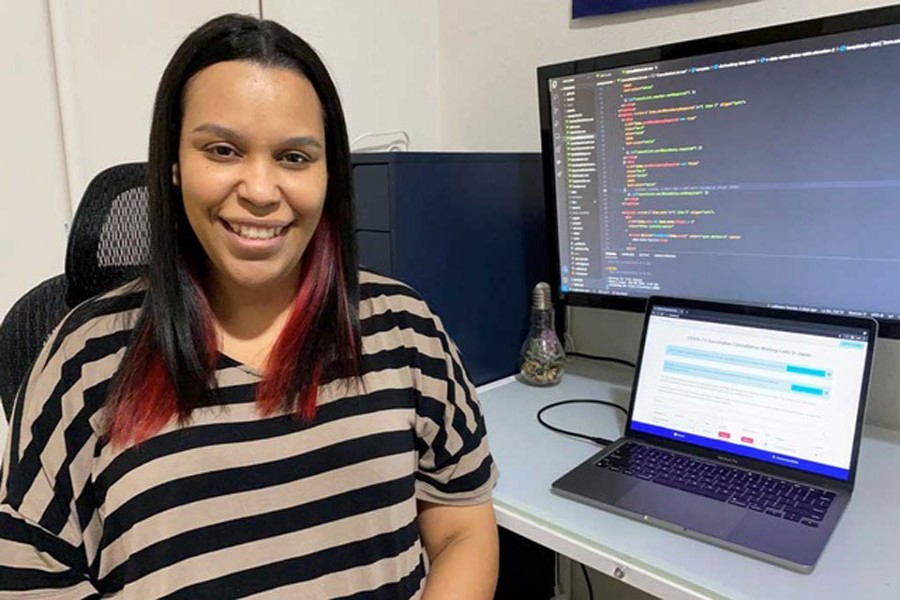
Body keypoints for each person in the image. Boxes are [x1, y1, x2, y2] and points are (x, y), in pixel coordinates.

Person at [0, 14, 498, 599]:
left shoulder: (405, 330)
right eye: (222, 150)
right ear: (174, 165)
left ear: (330, 175)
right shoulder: (84, 360)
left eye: (294, 157)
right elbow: (32, 578)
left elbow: (462, 528)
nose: (261, 191)